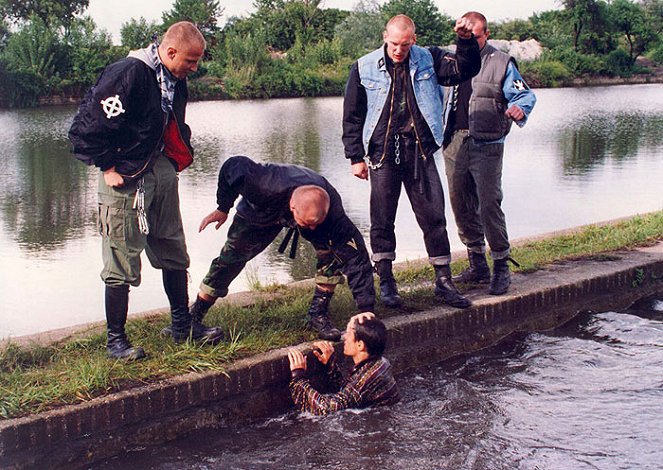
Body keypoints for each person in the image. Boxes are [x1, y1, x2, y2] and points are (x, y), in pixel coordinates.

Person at [68, 22, 224, 360]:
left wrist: (171, 163)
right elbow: (85, 126)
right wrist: (107, 165)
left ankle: (182, 326)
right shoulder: (129, 74)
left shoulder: (175, 78)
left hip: (159, 170)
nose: (195, 69)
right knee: (121, 258)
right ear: (170, 53)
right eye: (191, 61)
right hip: (124, 177)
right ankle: (116, 342)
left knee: (173, 246)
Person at [342, 14, 481, 310]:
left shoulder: (430, 58)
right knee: (381, 220)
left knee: (434, 217)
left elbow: (466, 69)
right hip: (381, 153)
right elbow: (352, 115)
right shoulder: (363, 66)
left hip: (419, 151)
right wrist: (355, 157)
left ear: (413, 40)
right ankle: (387, 280)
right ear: (385, 37)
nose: (398, 50)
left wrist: (465, 41)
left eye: (405, 44)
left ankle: (444, 281)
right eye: (394, 43)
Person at [189, 155, 376, 342]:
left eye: (315, 224)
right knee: (231, 258)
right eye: (307, 224)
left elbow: (356, 259)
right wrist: (223, 207)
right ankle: (194, 316)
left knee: (334, 254)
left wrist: (366, 310)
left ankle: (317, 313)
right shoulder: (261, 185)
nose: (311, 229)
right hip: (260, 212)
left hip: (309, 210)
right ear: (293, 208)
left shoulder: (332, 213)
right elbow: (231, 165)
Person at [442, 12, 537, 295]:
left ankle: (500, 266)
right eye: (466, 36)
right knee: (460, 204)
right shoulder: (450, 60)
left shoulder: (502, 62)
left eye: (477, 36)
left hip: (488, 143)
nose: (471, 41)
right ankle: (476, 263)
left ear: (487, 34)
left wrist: (519, 108)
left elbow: (524, 95)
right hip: (454, 143)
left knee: (489, 205)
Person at [288, 313, 400, 415]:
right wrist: (331, 366)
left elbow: (326, 409)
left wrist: (298, 378)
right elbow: (349, 395)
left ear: (360, 345)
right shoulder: (381, 362)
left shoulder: (365, 379)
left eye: (348, 333)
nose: (344, 337)